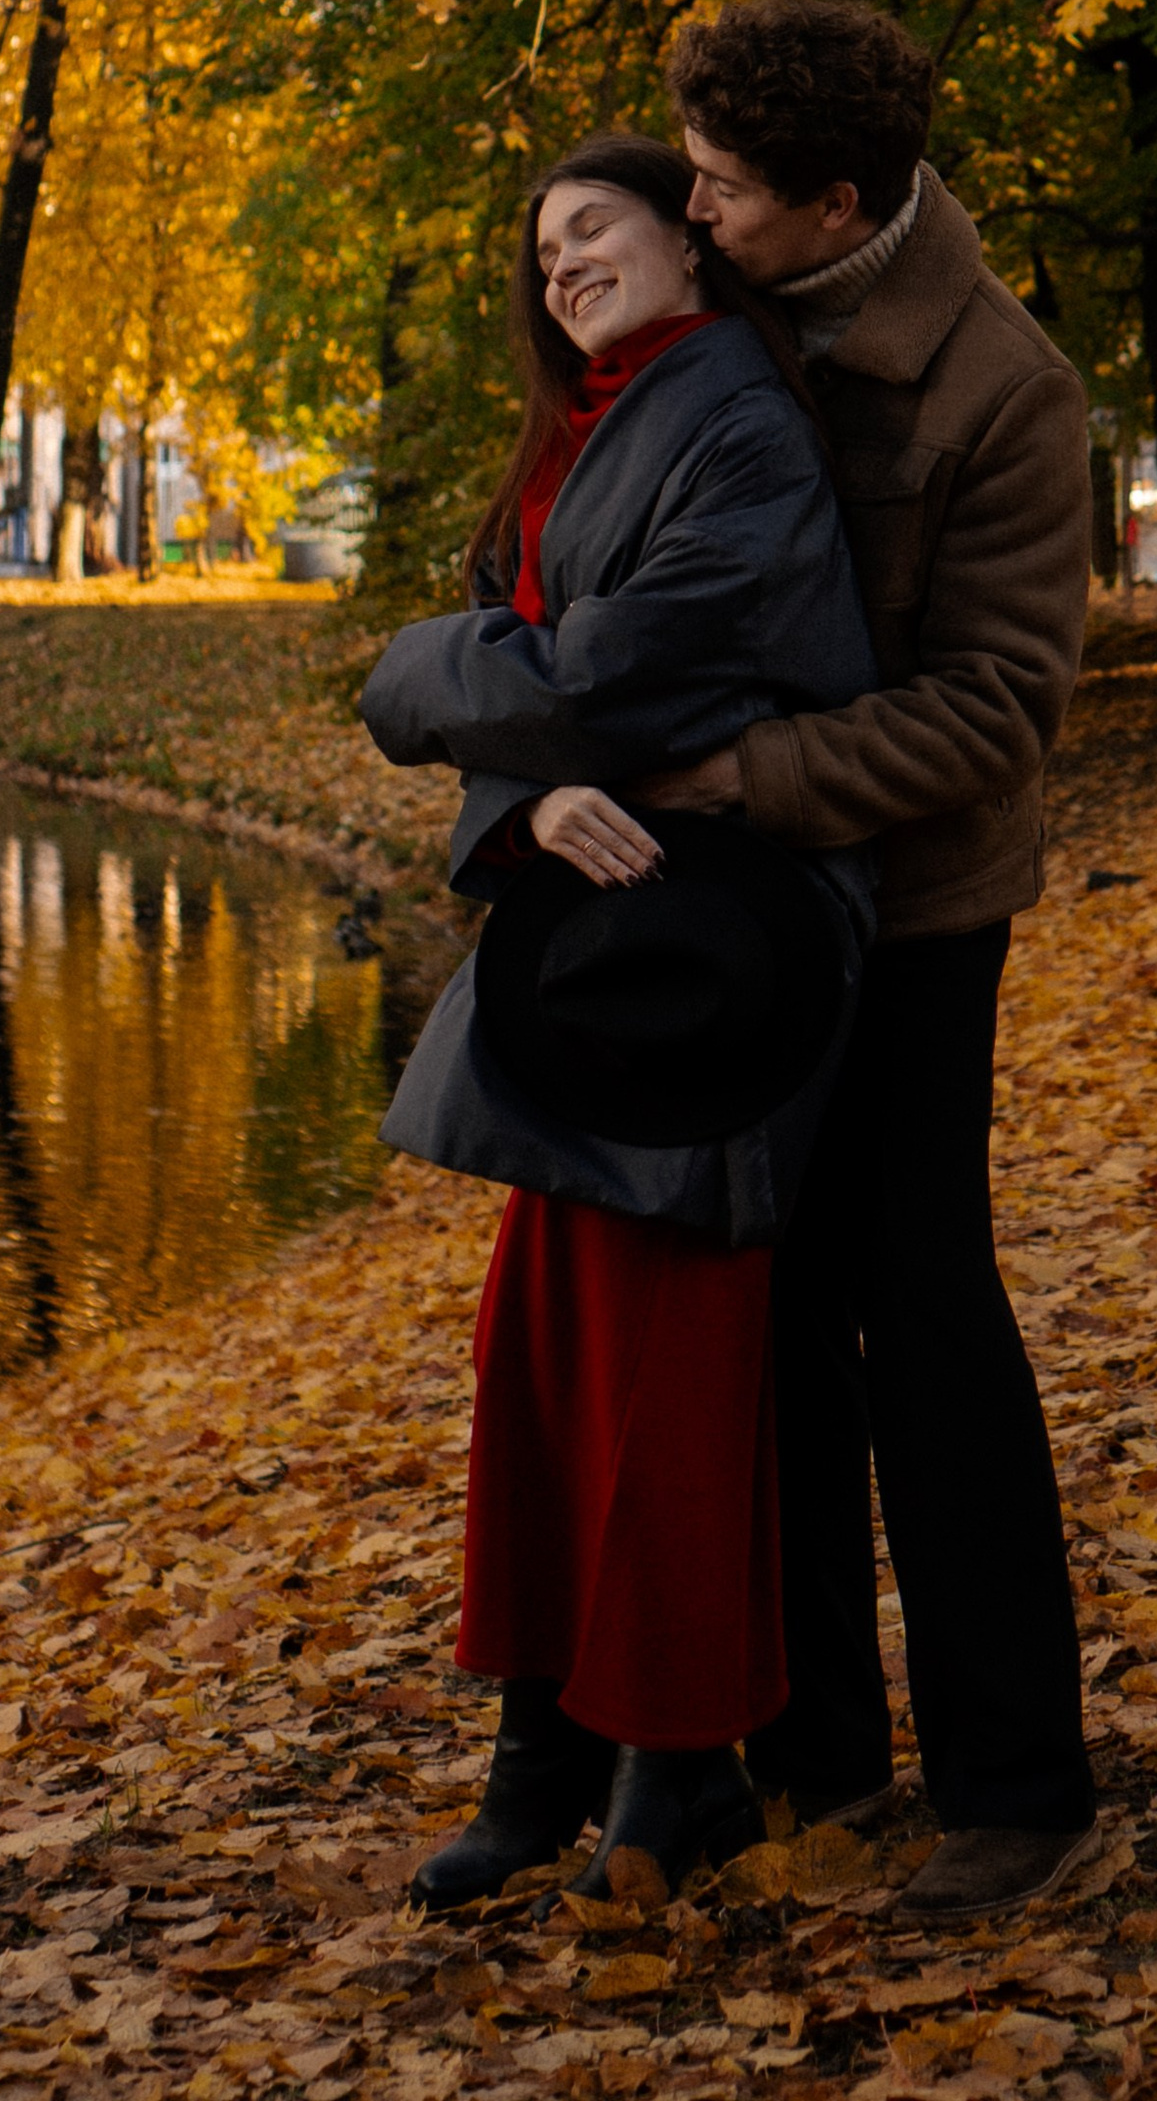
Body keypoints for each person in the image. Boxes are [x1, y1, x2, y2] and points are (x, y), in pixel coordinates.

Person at [359, 134, 877, 1911]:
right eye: (545, 244)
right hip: (595, 929)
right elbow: (514, 692)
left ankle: (680, 1768)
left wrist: (466, 702)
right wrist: (517, 801)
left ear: (689, 236)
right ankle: (545, 1758)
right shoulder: (577, 427)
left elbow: (598, 677)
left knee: (670, 1365)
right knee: (543, 1358)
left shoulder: (737, 417)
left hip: (716, 951)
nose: (564, 259)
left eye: (598, 227)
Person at [651, 0, 1099, 1921]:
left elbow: (996, 710)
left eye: (728, 188)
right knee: (771, 1336)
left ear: (839, 202)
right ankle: (813, 1754)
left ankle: (1015, 1783)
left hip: (911, 920)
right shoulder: (721, 312)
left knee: (922, 1322)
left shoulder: (1004, 389)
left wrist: (742, 770)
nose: (694, 207)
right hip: (739, 916)